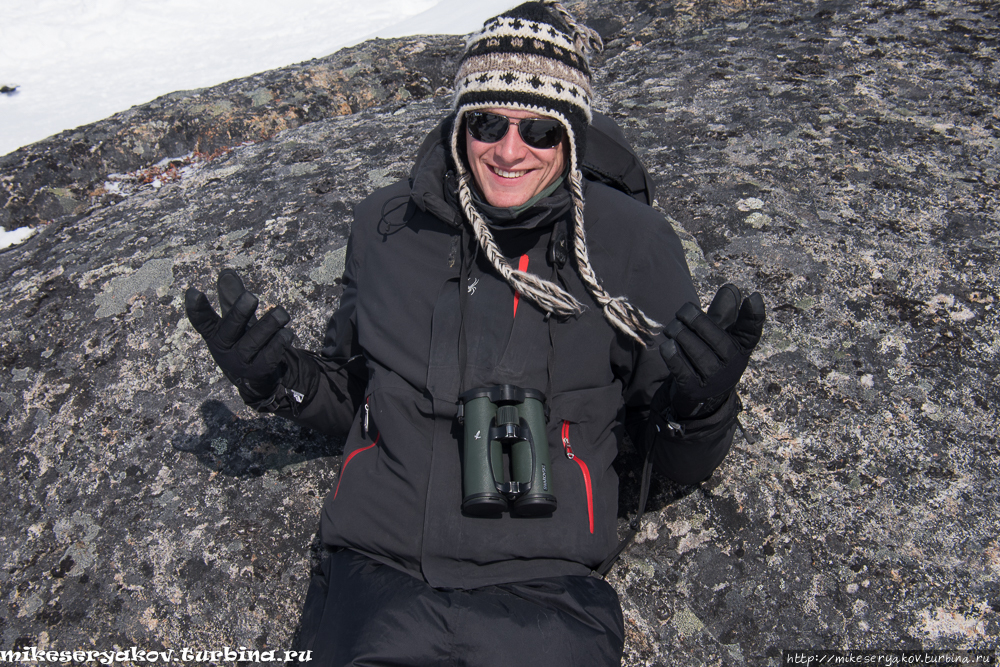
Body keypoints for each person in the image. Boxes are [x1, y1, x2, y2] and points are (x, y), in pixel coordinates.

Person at [185, 2, 765, 664]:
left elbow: (664, 456)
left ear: (572, 135)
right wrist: (274, 379)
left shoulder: (630, 243)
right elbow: (354, 393)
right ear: (460, 120)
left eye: (540, 130)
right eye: (487, 121)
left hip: (548, 596)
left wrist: (701, 404)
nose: (509, 149)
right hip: (377, 577)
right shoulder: (390, 227)